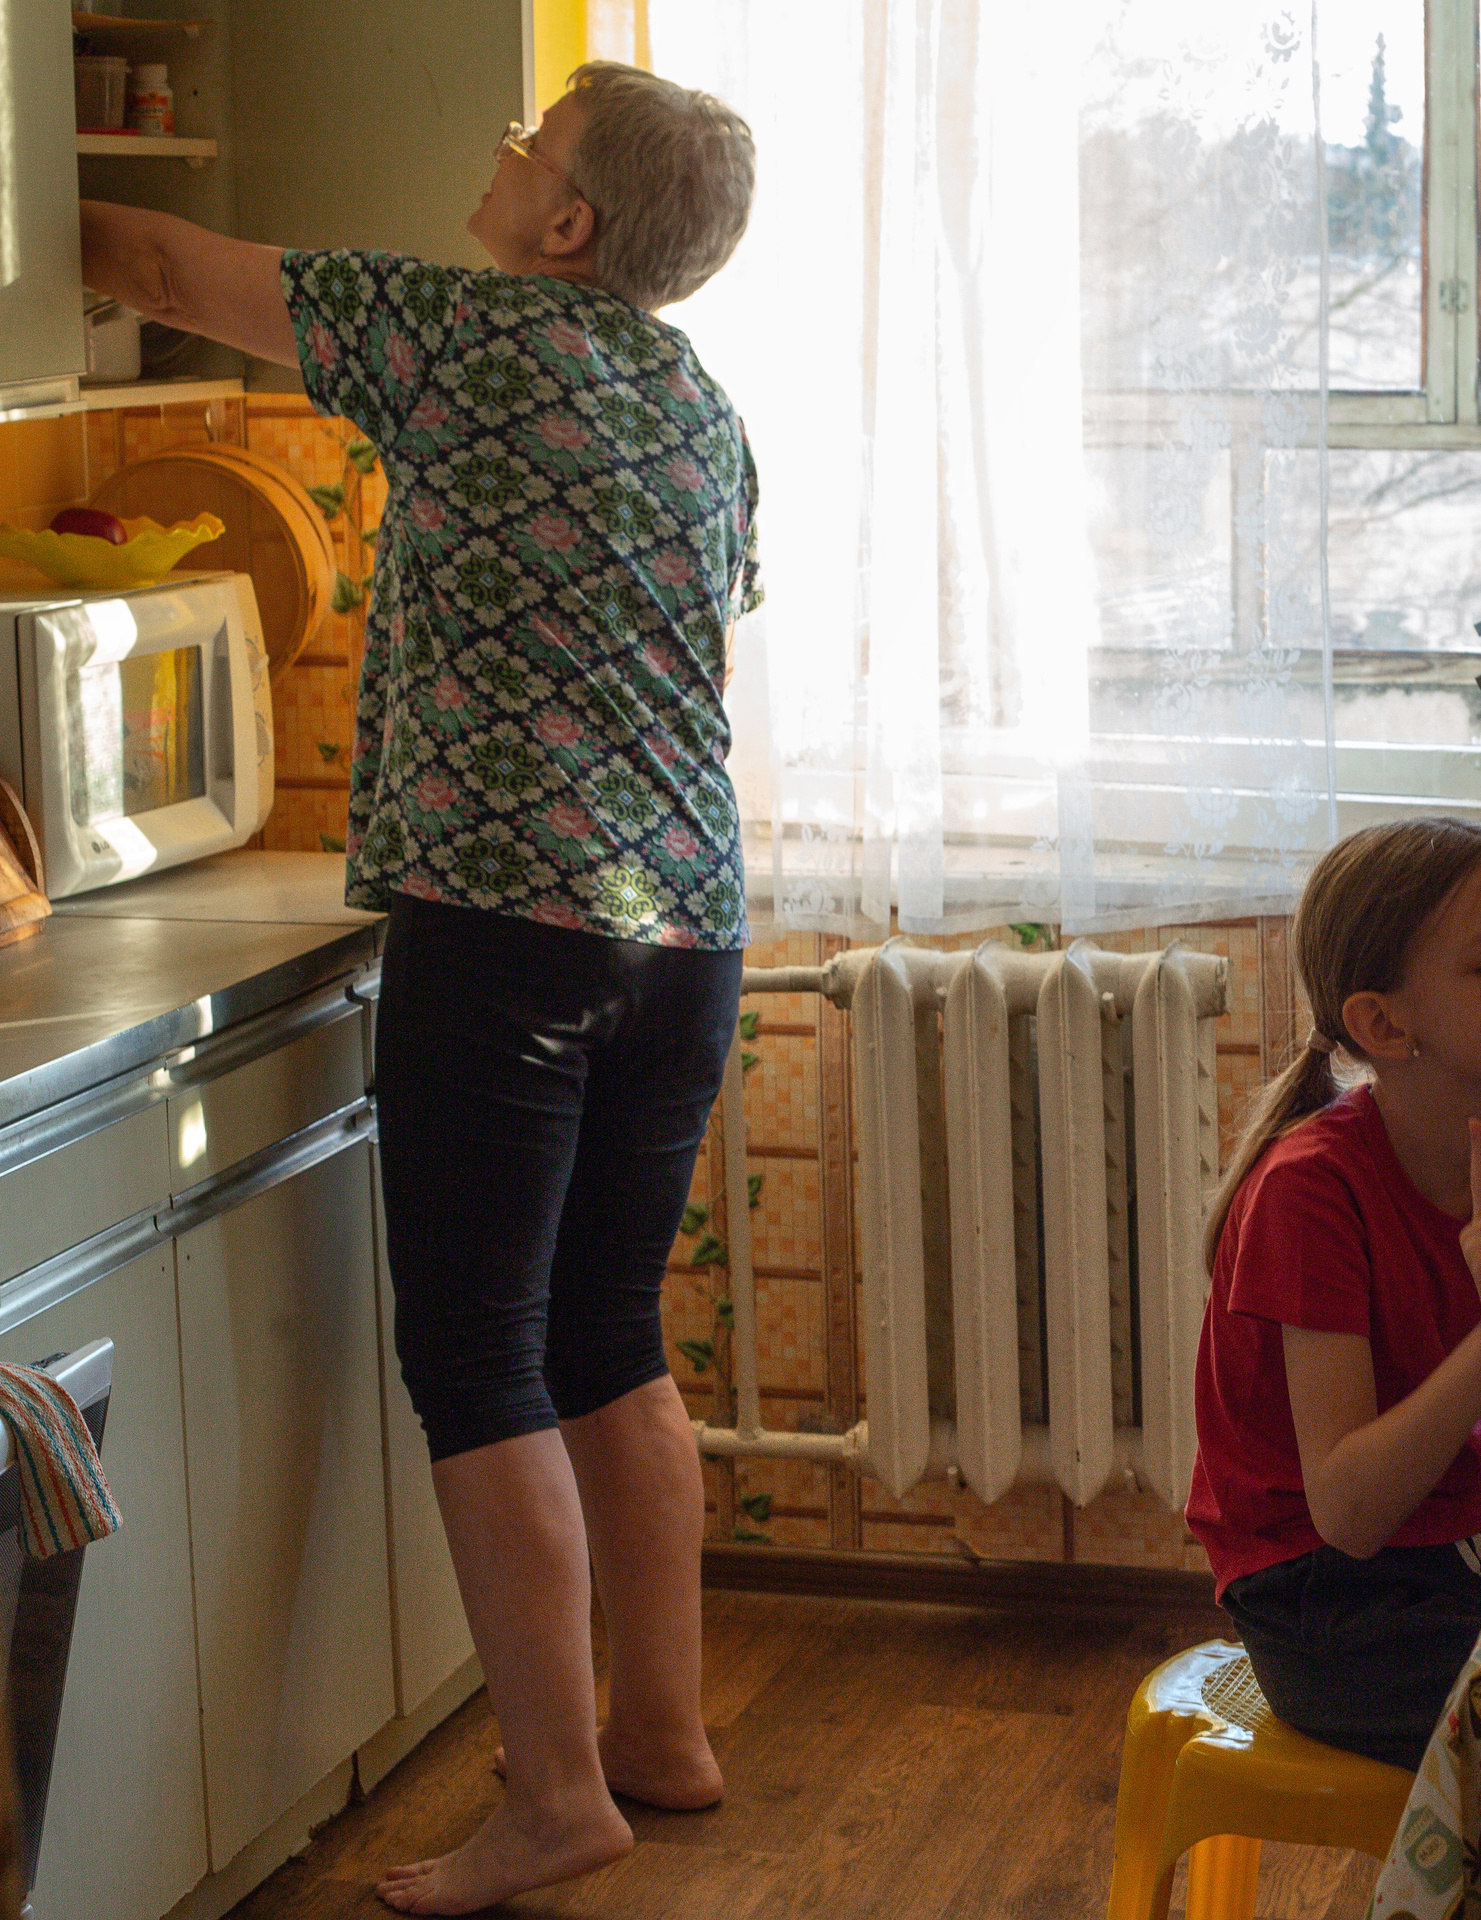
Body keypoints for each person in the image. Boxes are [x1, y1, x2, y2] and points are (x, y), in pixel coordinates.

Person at [79, 63, 758, 1914]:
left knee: (480, 1358)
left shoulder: (458, 333)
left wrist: (19, 212)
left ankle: (554, 1804)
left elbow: (156, 252)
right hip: (682, 926)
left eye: (526, 148)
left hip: (506, 921)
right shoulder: (703, 407)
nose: (500, 157)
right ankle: (661, 1734)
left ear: (570, 225)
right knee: (611, 1333)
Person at [1187, 818, 1481, 1773]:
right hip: (1321, 1598)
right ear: (1383, 1024)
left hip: (1449, 1548)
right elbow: (1350, 1515)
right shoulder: (1308, 1193)